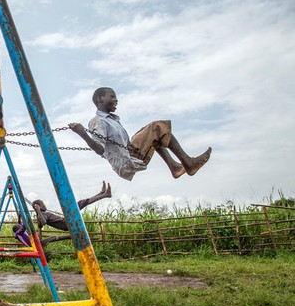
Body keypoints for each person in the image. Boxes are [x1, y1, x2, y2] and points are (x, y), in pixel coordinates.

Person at [69, 87, 212, 181]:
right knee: (157, 127)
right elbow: (99, 149)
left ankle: (175, 167)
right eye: (112, 96)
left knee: (153, 133)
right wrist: (82, 133)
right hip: (128, 160)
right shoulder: (98, 122)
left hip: (129, 152)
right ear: (100, 99)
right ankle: (189, 163)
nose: (116, 100)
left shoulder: (112, 120)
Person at [32, 181, 112, 246]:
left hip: (66, 222)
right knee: (79, 204)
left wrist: (38, 211)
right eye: (43, 204)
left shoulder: (42, 215)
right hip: (66, 223)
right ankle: (104, 195)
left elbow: (40, 224)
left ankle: (102, 194)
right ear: (39, 207)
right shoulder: (42, 215)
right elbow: (43, 223)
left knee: (81, 203)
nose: (45, 205)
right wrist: (38, 210)